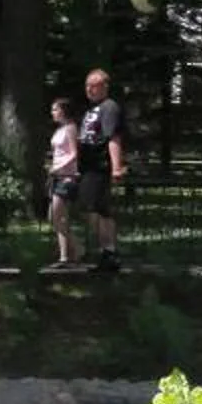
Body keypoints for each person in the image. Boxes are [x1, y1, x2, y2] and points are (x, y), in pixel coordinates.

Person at [78, 68, 127, 272]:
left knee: (99, 210)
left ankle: (110, 251)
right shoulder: (91, 109)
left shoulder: (109, 107)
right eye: (87, 85)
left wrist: (116, 167)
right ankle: (106, 251)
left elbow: (113, 138)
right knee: (93, 210)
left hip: (100, 167)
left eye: (94, 85)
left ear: (104, 87)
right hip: (88, 167)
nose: (89, 89)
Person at [46, 94, 83, 265]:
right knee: (54, 217)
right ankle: (75, 248)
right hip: (56, 176)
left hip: (67, 177)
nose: (52, 112)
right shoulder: (59, 129)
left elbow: (74, 154)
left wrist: (59, 167)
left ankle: (65, 256)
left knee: (58, 216)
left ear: (63, 111)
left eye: (55, 109)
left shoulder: (70, 128)